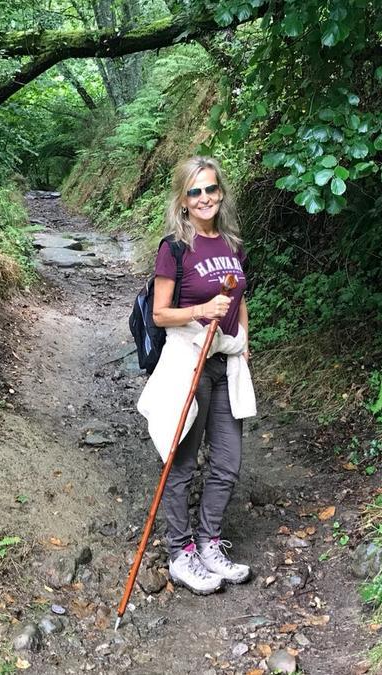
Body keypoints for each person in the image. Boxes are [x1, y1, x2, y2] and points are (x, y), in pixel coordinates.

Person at [136, 155, 257, 595]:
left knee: (227, 462)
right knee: (182, 462)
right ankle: (180, 553)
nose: (204, 197)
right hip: (190, 364)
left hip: (227, 363)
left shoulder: (233, 245)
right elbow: (160, 312)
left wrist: (245, 341)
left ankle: (209, 544)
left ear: (220, 193)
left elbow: (239, 298)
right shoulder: (175, 248)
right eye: (194, 191)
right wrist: (202, 311)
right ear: (183, 200)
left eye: (210, 189)